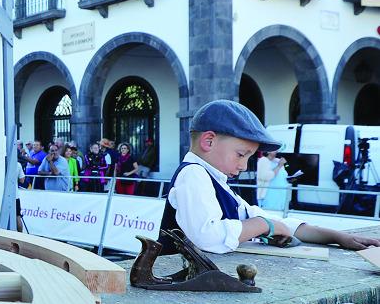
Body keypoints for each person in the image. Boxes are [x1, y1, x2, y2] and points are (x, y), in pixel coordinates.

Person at [163, 100, 380, 254]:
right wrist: (263, 225)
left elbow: (275, 222)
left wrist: (337, 237)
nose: (243, 166)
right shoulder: (193, 174)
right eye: (241, 155)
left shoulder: (217, 182)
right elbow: (208, 236)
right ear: (208, 141)